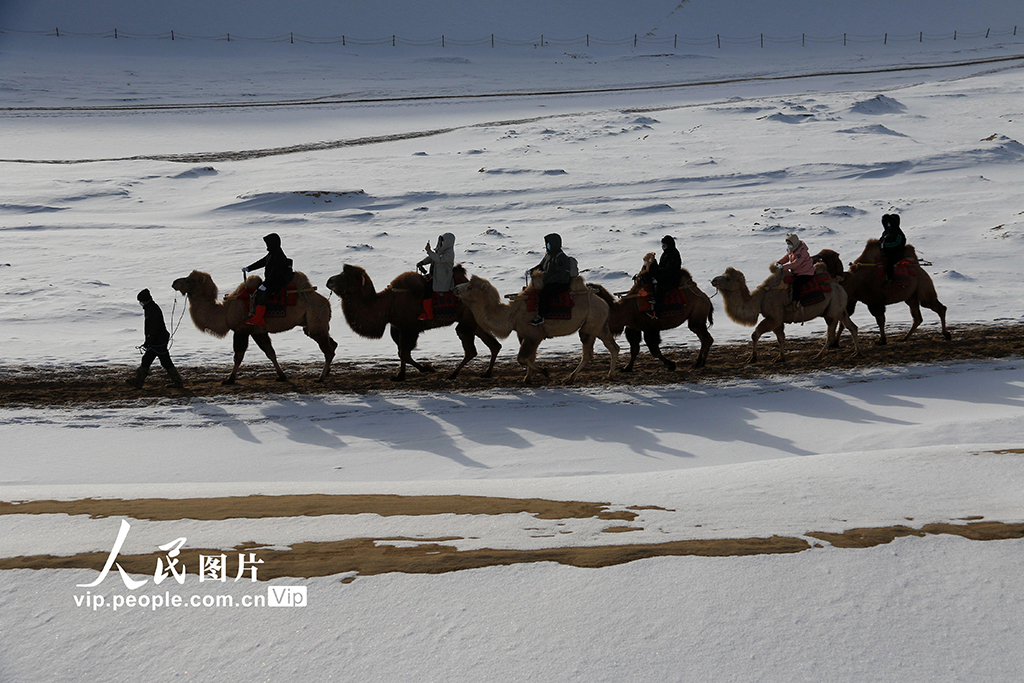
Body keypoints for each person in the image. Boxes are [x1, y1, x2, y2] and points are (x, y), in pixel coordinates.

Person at [127, 289, 184, 389]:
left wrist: (148, 341)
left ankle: (178, 383)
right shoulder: (151, 308)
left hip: (157, 342)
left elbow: (153, 328)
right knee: (150, 360)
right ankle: (139, 381)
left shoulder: (152, 310)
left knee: (163, 362)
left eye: (141, 301)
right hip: (157, 341)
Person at [242, 232, 294, 326]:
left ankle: (258, 319)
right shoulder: (272, 253)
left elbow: (275, 273)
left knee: (262, 294)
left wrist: (265, 285)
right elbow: (262, 262)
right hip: (271, 281)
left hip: (277, 282)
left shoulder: (278, 255)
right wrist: (249, 268)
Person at [416, 233, 456, 320]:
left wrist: (429, 251)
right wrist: (422, 263)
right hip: (434, 275)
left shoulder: (449, 254)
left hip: (442, 279)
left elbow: (438, 259)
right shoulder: (440, 251)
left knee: (427, 290)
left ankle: (428, 314)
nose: (441, 243)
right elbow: (432, 258)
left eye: (443, 241)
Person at [643, 235, 683, 319]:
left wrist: (659, 274)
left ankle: (657, 312)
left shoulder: (674, 254)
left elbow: (670, 270)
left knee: (660, 289)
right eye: (663, 245)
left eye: (665, 245)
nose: (663, 247)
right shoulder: (666, 253)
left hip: (672, 278)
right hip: (665, 276)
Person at [775, 233, 815, 304]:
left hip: (806, 272)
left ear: (794, 242)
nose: (788, 245)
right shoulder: (793, 249)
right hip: (797, 272)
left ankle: (795, 302)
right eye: (787, 243)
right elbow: (787, 257)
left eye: (789, 243)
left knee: (796, 285)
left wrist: (783, 267)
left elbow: (796, 264)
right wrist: (779, 262)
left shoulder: (802, 251)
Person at [880, 213, 907, 283]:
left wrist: (885, 245)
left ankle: (890, 280)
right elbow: (881, 240)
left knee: (890, 263)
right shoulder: (886, 233)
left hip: (896, 254)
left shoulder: (899, 234)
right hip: (885, 253)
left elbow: (897, 243)